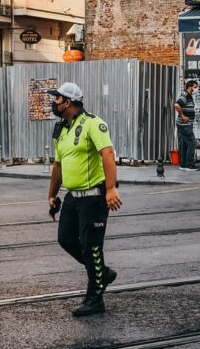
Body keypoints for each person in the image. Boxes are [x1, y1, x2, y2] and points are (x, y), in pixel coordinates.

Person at [47, 82, 122, 317]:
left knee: (92, 248)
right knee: (66, 239)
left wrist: (110, 189)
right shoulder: (62, 130)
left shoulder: (93, 124)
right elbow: (58, 165)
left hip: (93, 197)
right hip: (72, 197)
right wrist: (51, 195)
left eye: (57, 98)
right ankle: (103, 273)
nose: (54, 102)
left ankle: (95, 299)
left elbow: (107, 154)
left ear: (68, 102)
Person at [174, 80, 199, 171]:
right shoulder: (185, 95)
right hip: (184, 124)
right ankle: (190, 165)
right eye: (195, 87)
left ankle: (183, 164)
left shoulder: (189, 96)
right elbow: (176, 105)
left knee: (184, 144)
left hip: (184, 124)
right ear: (190, 87)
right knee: (192, 143)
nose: (196, 89)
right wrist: (182, 115)